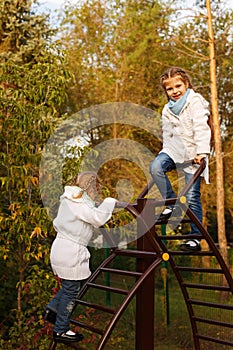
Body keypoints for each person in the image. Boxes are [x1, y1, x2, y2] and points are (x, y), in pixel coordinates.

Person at [44, 171, 117, 343]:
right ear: (91, 187)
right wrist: (109, 202)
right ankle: (61, 330)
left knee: (69, 285)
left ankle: (52, 309)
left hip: (61, 248)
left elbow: (89, 212)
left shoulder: (70, 198)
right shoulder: (78, 202)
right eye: (96, 189)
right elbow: (97, 218)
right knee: (71, 291)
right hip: (70, 251)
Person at [150, 67, 211, 252]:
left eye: (178, 86)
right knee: (155, 167)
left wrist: (202, 152)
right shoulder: (166, 110)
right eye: (170, 89)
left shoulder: (195, 102)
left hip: (193, 154)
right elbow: (167, 135)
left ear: (186, 84)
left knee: (192, 197)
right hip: (174, 151)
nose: (175, 91)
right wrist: (165, 154)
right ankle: (171, 203)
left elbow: (201, 127)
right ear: (166, 91)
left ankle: (194, 239)